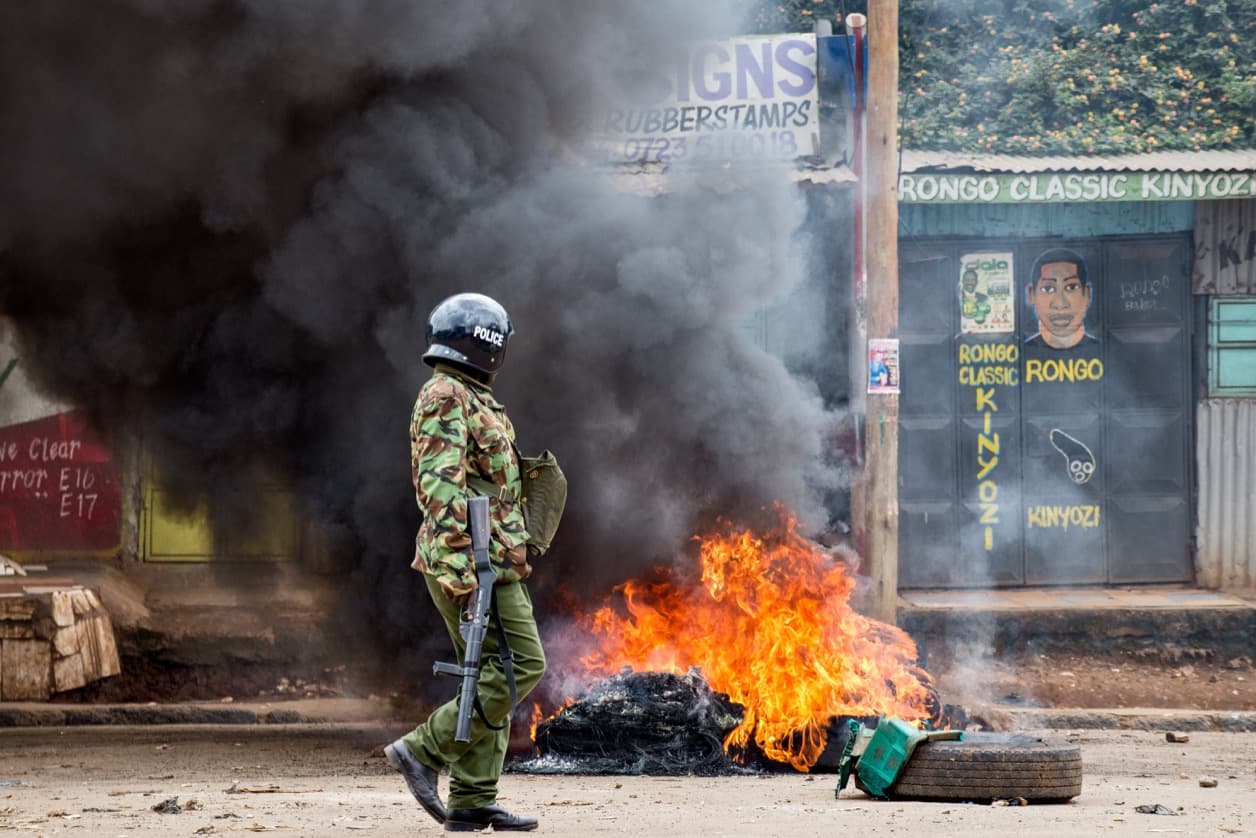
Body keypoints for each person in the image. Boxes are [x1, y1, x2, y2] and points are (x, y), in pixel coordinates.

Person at [385, 292, 546, 833]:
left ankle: (473, 800)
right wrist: (463, 572)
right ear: (487, 343)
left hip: (494, 560)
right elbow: (439, 488)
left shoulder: (471, 396)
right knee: (520, 665)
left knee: (489, 673)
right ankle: (422, 748)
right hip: (474, 564)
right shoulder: (446, 395)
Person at [1024, 248, 1099, 349]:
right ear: (1031, 295)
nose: (1060, 304)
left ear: (1087, 293)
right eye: (1048, 289)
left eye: (1071, 287)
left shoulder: (1103, 348)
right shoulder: (1023, 351)